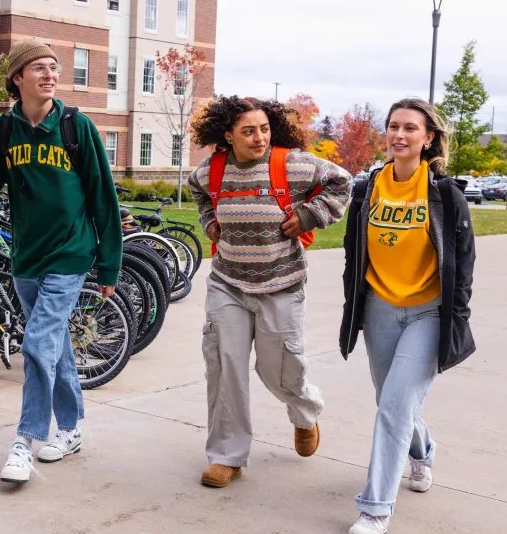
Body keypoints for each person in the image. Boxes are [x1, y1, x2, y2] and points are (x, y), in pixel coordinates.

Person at [0, 40, 122, 484]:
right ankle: (69, 429)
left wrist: (108, 262)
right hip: (26, 257)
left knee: (36, 343)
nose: (50, 74)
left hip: (71, 252)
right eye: (39, 68)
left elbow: (102, 196)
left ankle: (24, 442)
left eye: (54, 67)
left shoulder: (77, 126)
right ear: (17, 78)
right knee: (56, 346)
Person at [187, 95, 352, 488]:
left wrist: (310, 214)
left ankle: (304, 412)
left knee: (281, 370)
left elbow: (341, 181)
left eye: (263, 129)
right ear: (228, 135)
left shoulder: (291, 163)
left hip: (282, 283)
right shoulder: (212, 169)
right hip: (227, 282)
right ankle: (227, 455)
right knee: (224, 367)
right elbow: (198, 193)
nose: (259, 137)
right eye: (248, 131)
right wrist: (210, 220)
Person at [340, 98, 476, 534]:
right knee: (391, 402)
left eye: (410, 128)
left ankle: (375, 509)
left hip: (427, 311)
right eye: (393, 126)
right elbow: (352, 254)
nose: (400, 135)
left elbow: (464, 264)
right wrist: (354, 308)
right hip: (379, 309)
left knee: (395, 407)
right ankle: (421, 452)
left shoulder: (445, 194)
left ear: (428, 138)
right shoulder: (367, 189)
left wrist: (455, 318)